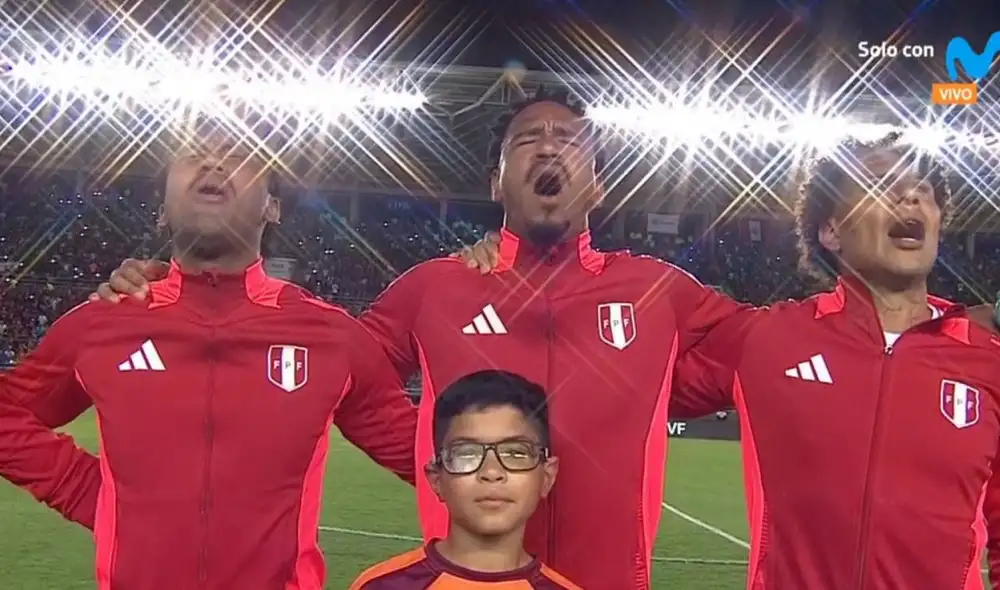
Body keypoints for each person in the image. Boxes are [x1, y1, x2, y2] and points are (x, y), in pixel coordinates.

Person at [89, 87, 755, 589]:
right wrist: (178, 296)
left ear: (598, 184)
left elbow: (768, 357)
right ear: (496, 182)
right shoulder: (435, 288)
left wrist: (645, 399)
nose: (549, 146)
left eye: (569, 141)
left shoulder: (659, 291)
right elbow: (324, 373)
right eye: (527, 140)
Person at [462, 133, 1000, 588]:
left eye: (923, 192)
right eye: (882, 187)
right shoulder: (766, 339)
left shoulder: (987, 361)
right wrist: (516, 256)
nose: (909, 197)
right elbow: (608, 380)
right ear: (830, 231)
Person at [0, 125, 419, 590]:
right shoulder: (101, 324)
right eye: (193, 154)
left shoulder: (334, 338)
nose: (215, 163)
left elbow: (436, 458)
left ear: (272, 207)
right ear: (161, 210)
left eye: (241, 156)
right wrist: (85, 492)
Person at [348, 370, 579, 589]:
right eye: (467, 454)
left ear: (547, 476)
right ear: (436, 479)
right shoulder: (380, 586)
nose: (491, 472)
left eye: (515, 453)